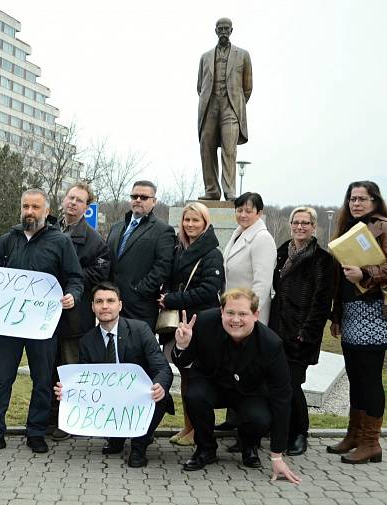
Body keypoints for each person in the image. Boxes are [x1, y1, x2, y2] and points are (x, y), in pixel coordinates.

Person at [0, 189, 83, 455]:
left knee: (42, 379)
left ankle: (36, 432)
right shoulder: (8, 239)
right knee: (2, 378)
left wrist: (72, 296)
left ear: (47, 211)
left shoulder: (60, 242)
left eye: (35, 207)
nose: (29, 212)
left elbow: (75, 278)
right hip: (8, 325)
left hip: (43, 326)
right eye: (25, 206)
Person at [171, 288, 300, 484]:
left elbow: (282, 397)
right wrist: (182, 346)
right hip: (210, 382)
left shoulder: (271, 344)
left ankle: (249, 445)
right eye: (230, 313)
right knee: (194, 396)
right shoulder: (204, 323)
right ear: (221, 312)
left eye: (242, 314)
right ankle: (206, 449)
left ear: (256, 315)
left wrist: (277, 456)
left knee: (260, 418)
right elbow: (183, 362)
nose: (235, 320)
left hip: (249, 391)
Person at [327, 181, 387, 464]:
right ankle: (354, 435)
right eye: (352, 198)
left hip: (374, 311)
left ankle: (371, 442)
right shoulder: (348, 227)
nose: (356, 203)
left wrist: (364, 273)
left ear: (375, 201)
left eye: (362, 198)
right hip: (351, 311)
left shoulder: (386, 227)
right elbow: (340, 279)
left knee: (370, 378)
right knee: (355, 377)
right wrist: (336, 315)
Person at [54, 281, 173, 467]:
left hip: (141, 396)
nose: (105, 306)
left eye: (110, 300)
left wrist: (160, 385)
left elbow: (162, 368)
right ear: (92, 307)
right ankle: (116, 437)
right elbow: (85, 381)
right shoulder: (86, 341)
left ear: (120, 305)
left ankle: (139, 446)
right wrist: (68, 390)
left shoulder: (140, 330)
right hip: (109, 399)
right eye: (99, 301)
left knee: (159, 396)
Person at [158, 201, 225, 447]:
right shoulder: (180, 248)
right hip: (180, 323)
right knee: (186, 376)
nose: (190, 224)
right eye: (187, 220)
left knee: (197, 378)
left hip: (200, 323)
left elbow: (209, 290)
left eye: (196, 220)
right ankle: (188, 426)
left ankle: (198, 429)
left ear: (205, 223)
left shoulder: (212, 254)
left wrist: (172, 299)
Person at [269, 206, 334, 456]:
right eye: (296, 222)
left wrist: (306, 333)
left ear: (313, 227)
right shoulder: (280, 253)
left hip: (300, 335)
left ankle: (299, 433)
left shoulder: (322, 260)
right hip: (277, 331)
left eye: (305, 223)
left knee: (293, 385)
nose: (300, 227)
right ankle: (281, 430)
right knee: (278, 384)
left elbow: (321, 303)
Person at [49, 182, 111, 441]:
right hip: (46, 316)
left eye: (80, 200)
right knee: (47, 370)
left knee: (71, 370)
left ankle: (69, 420)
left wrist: (66, 279)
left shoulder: (95, 241)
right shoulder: (48, 230)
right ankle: (48, 417)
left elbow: (99, 273)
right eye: (70, 197)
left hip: (75, 318)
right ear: (63, 200)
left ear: (87, 208)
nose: (73, 203)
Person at [106, 180, 176, 330]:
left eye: (144, 197)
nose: (138, 200)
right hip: (111, 305)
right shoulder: (116, 228)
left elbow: (162, 267)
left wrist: (138, 290)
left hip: (140, 308)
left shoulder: (163, 230)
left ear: (154, 202)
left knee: (137, 352)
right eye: (134, 196)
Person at [197, 17, 253, 201]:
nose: (223, 31)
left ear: (231, 30)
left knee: (229, 149)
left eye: (226, 29)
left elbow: (247, 87)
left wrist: (236, 103)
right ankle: (212, 190)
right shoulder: (205, 57)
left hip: (231, 108)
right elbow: (200, 86)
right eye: (220, 28)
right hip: (210, 106)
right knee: (206, 146)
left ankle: (230, 191)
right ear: (215, 30)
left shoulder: (243, 55)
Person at [224, 192, 276, 325]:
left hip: (248, 315)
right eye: (239, 210)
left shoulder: (262, 238)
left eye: (248, 211)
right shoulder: (238, 234)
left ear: (259, 213)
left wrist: (249, 313)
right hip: (234, 311)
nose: (242, 215)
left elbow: (262, 284)